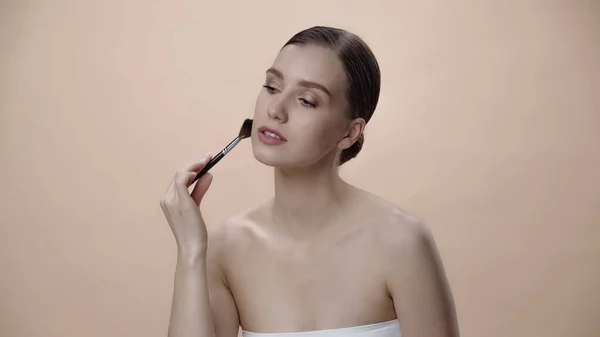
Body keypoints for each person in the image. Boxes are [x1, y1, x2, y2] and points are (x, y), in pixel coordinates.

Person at [160, 26, 459, 337]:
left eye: (306, 100)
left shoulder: (401, 242)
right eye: (272, 87)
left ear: (350, 132)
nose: (274, 110)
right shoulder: (226, 249)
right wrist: (191, 251)